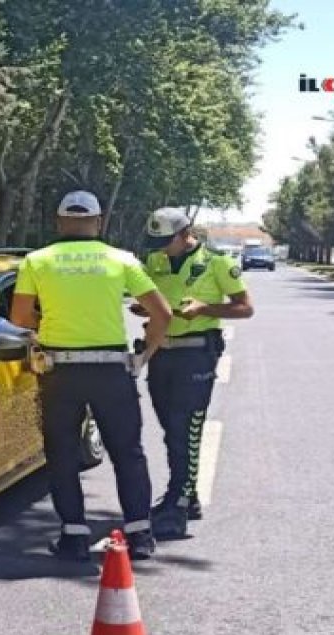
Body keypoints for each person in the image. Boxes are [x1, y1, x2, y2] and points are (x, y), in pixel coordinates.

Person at [10, 191, 173, 561]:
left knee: (63, 455)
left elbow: (19, 319)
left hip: (59, 371)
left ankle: (73, 536)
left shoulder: (36, 261)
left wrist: (47, 329)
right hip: (112, 371)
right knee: (128, 453)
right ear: (99, 223)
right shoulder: (121, 260)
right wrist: (144, 354)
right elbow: (162, 314)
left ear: (59, 222)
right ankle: (140, 534)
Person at [134, 208, 254, 540]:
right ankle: (187, 496)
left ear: (186, 234)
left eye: (165, 241)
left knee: (185, 428)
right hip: (161, 351)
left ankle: (178, 504)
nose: (160, 248)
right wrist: (145, 308)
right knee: (170, 428)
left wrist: (204, 309)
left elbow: (245, 307)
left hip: (196, 354)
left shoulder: (216, 263)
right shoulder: (154, 263)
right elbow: (151, 300)